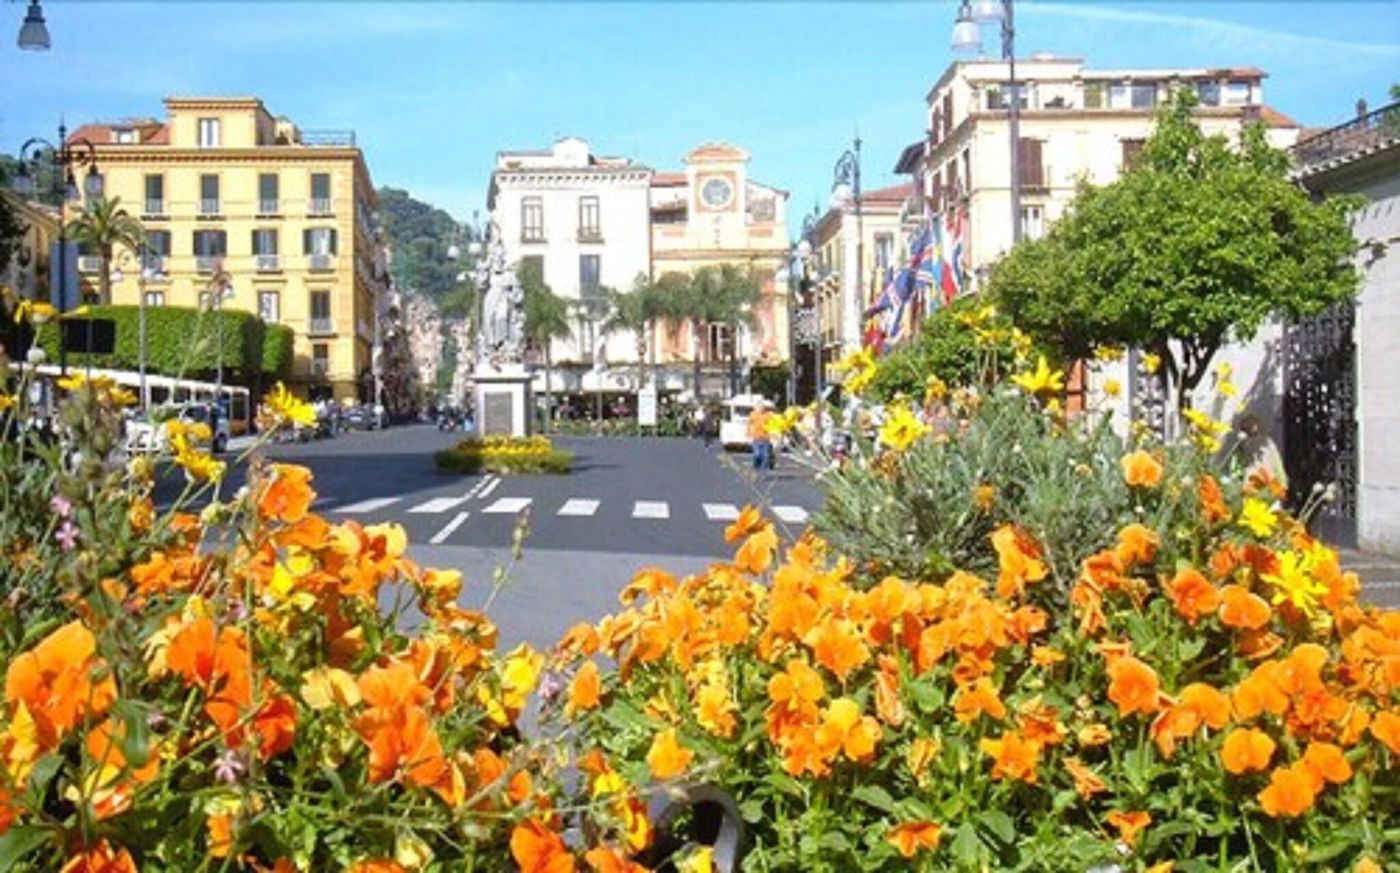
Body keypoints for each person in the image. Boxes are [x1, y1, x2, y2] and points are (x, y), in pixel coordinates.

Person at [748, 398, 774, 471]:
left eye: (762, 407)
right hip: (756, 438)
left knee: (765, 455)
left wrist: (773, 433)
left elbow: (773, 423)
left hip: (766, 438)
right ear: (756, 408)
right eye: (759, 407)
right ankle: (756, 465)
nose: (761, 408)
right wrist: (748, 432)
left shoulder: (768, 415)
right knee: (757, 454)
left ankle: (762, 468)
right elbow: (749, 424)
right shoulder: (753, 414)